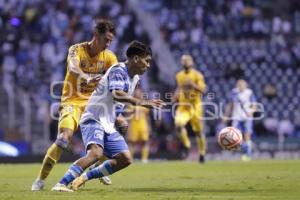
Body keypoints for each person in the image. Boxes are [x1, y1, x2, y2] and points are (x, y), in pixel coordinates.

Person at [51, 40, 165, 192]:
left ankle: (83, 178)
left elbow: (115, 102)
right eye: (147, 60)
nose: (148, 65)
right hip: (94, 118)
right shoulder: (119, 71)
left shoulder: (135, 78)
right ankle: (60, 184)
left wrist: (119, 117)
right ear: (136, 59)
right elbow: (117, 94)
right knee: (95, 154)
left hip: (108, 123)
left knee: (125, 159)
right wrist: (143, 102)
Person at [32, 19, 119, 191]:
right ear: (96, 35)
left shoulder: (109, 57)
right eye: (106, 39)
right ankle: (40, 179)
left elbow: (117, 75)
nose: (108, 44)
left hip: (93, 104)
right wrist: (86, 77)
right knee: (64, 139)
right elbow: (72, 67)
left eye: (111, 40)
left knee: (110, 135)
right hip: (72, 100)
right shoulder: (76, 49)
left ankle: (97, 169)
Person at [173, 54, 206, 163]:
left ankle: (202, 153)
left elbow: (203, 90)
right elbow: (179, 88)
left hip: (195, 106)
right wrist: (175, 96)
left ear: (192, 62)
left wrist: (193, 85)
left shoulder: (197, 75)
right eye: (183, 60)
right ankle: (187, 145)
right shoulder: (179, 75)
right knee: (178, 125)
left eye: (187, 60)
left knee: (199, 132)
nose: (185, 62)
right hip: (183, 106)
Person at [224, 79, 257, 161]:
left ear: (245, 85)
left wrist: (251, 111)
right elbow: (230, 104)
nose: (240, 86)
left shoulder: (249, 93)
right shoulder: (234, 92)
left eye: (242, 85)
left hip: (247, 117)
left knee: (247, 135)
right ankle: (245, 148)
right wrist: (226, 115)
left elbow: (255, 105)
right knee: (234, 136)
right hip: (236, 116)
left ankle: (248, 155)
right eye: (239, 85)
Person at [127, 88, 151, 163]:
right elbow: (128, 116)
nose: (138, 94)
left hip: (143, 124)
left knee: (145, 141)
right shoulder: (131, 104)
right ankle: (130, 159)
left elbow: (147, 116)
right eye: (136, 93)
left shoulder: (144, 104)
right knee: (132, 142)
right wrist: (128, 127)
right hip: (134, 124)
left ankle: (144, 159)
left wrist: (149, 126)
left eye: (139, 93)